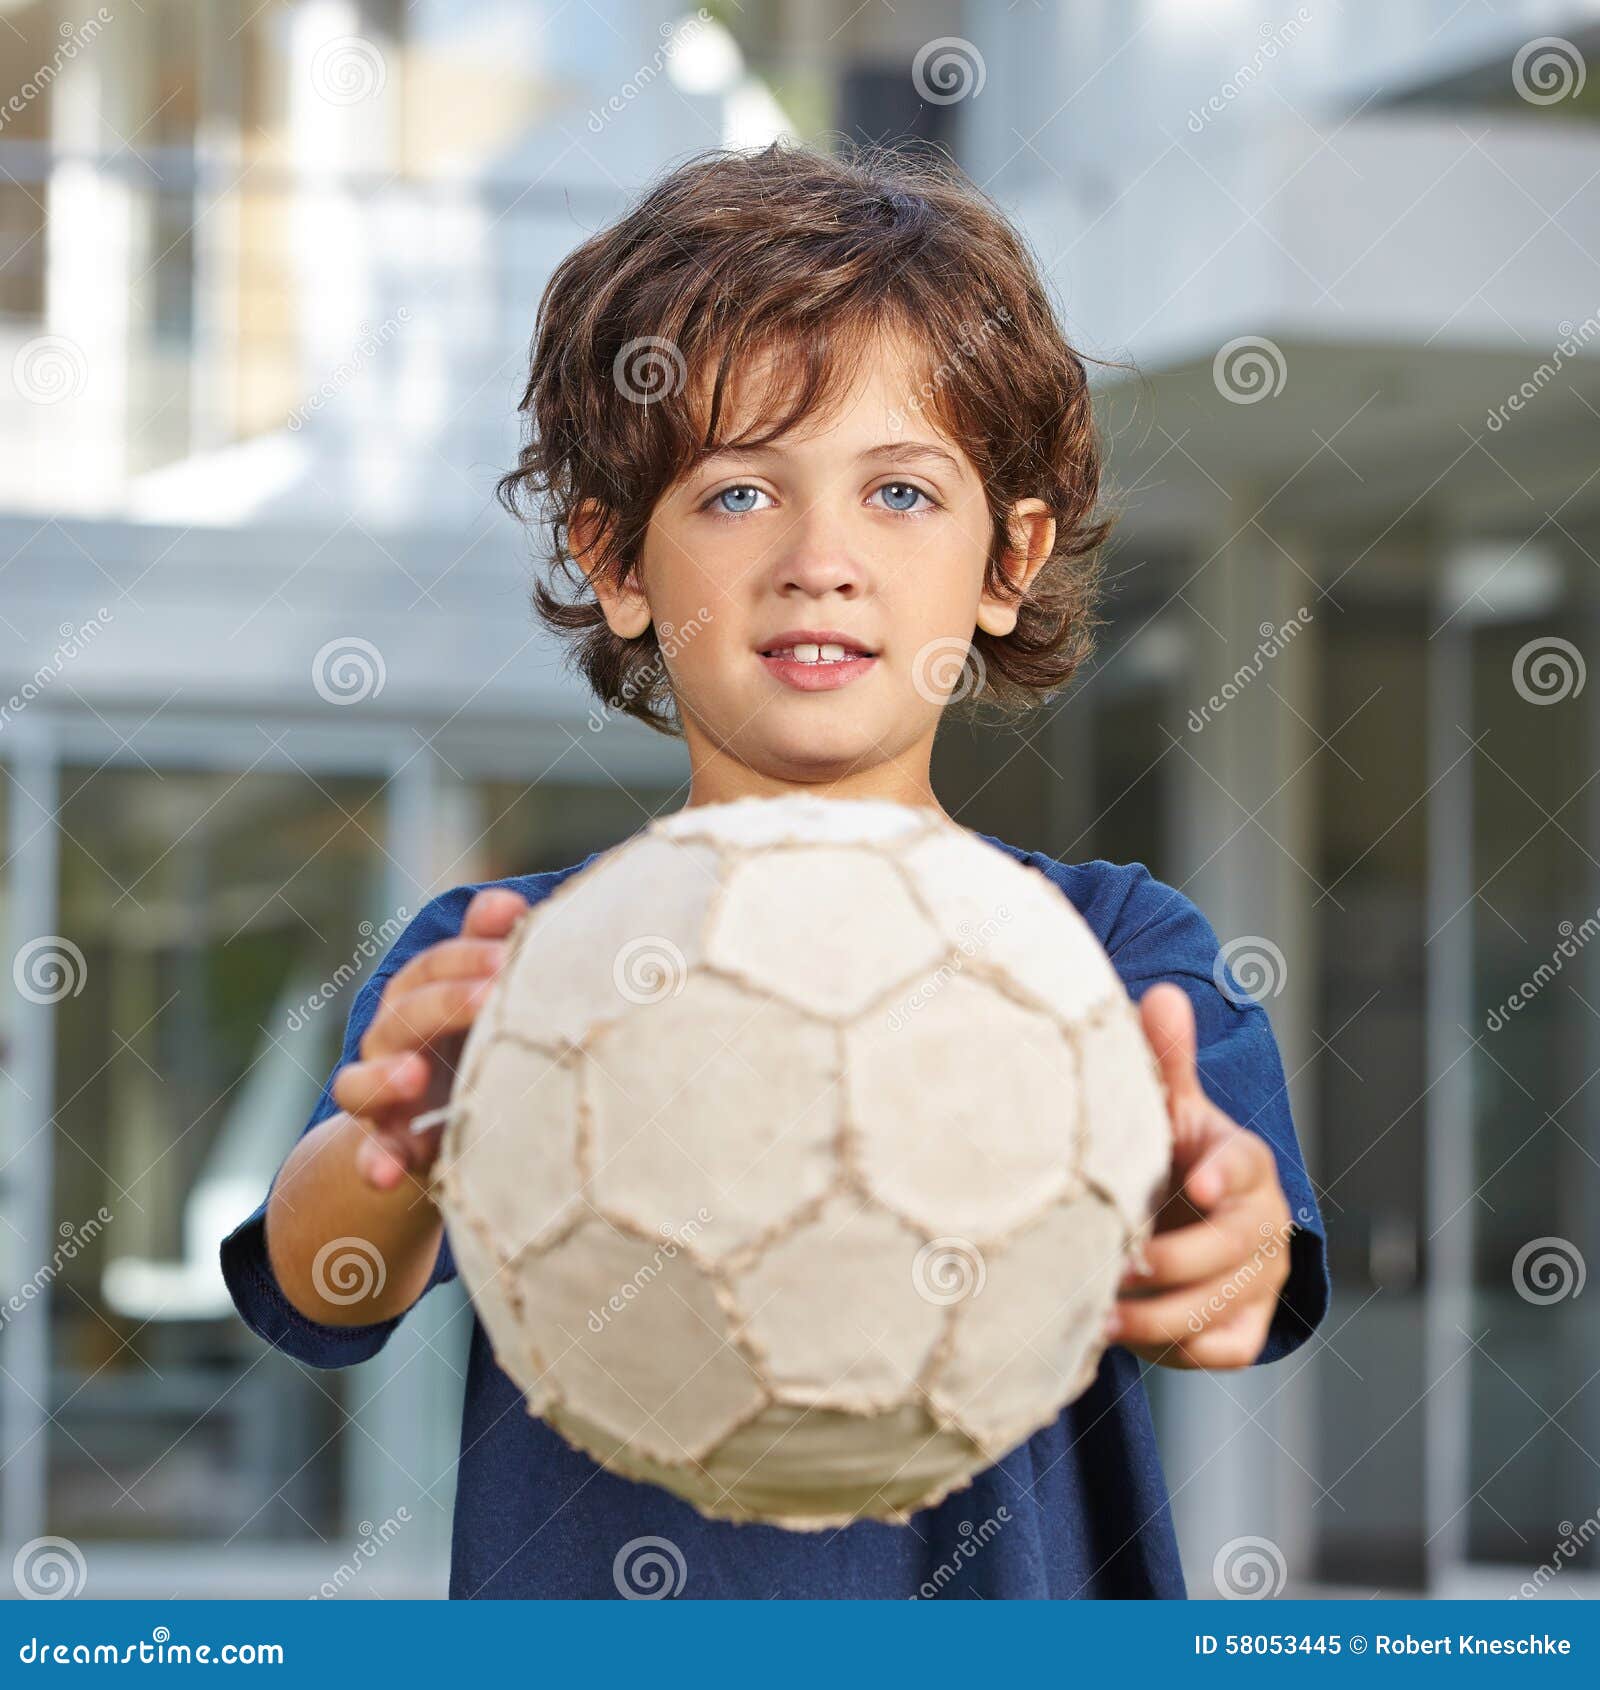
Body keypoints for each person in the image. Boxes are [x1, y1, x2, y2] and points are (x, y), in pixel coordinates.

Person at [222, 141, 1329, 1599]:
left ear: (1010, 560)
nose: (822, 557)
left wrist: (1208, 1220)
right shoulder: (518, 960)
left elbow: (1231, 1266)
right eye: (740, 494)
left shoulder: (1111, 953)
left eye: (902, 494)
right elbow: (320, 1282)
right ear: (617, 558)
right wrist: (401, 1145)